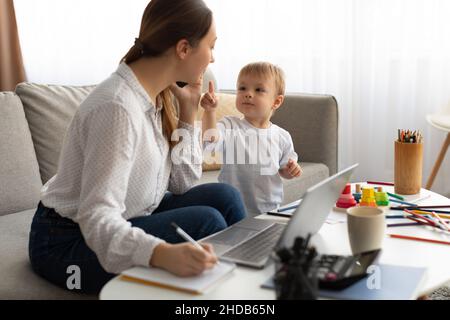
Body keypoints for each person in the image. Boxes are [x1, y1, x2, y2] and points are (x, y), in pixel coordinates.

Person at [28, 0, 246, 294]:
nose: (213, 59)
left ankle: (244, 284)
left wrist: (187, 114)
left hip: (136, 214)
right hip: (66, 242)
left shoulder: (157, 96)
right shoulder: (117, 106)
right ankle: (225, 292)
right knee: (208, 221)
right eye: (211, 46)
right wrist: (160, 253)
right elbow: (97, 217)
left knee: (226, 197)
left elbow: (183, 184)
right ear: (183, 49)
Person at [201, 62, 303, 215]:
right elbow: (210, 140)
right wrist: (209, 112)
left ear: (276, 101)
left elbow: (284, 170)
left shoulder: (282, 136)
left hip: (270, 210)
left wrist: (291, 170)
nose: (248, 93)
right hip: (233, 210)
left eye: (259, 90)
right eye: (242, 88)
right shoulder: (230, 125)